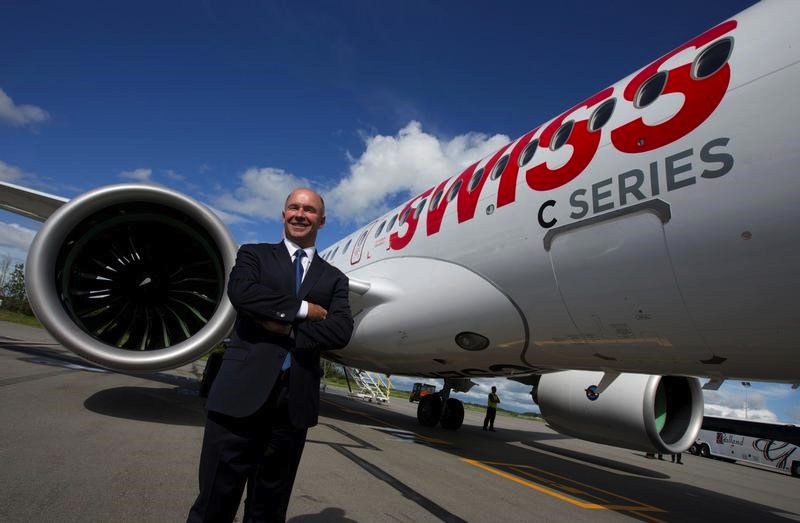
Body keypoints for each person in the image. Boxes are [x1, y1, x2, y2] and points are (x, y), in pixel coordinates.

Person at [188, 188, 354, 523]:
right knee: (214, 503)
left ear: (321, 221)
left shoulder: (335, 278)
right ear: (283, 214)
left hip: (293, 405)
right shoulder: (254, 255)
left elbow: (341, 331)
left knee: (269, 508)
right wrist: (307, 310)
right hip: (238, 396)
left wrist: (285, 326)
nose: (300, 214)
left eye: (309, 210)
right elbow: (243, 294)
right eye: (293, 207)